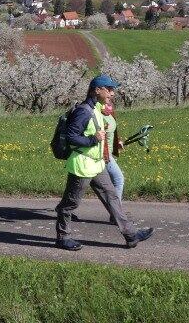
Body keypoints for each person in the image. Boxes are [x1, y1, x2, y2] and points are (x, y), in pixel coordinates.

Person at [54, 74, 154, 251]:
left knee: (112, 197)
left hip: (97, 165)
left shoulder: (98, 108)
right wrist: (93, 140)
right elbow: (71, 137)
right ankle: (63, 237)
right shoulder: (83, 111)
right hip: (82, 166)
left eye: (112, 89)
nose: (112, 93)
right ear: (96, 90)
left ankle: (131, 235)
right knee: (70, 203)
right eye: (109, 89)